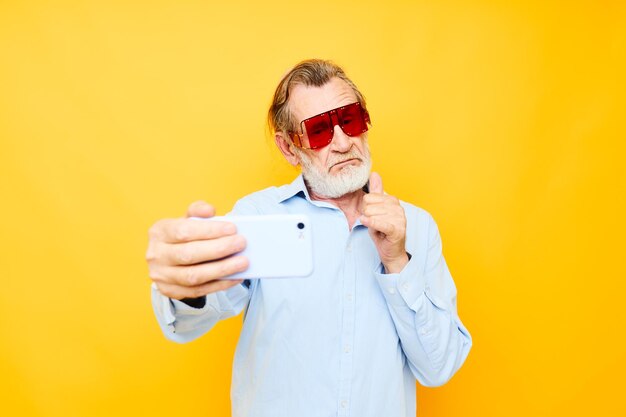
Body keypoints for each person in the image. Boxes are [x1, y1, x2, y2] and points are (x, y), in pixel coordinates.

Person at [147, 59, 472, 417]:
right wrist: (186, 286)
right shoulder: (259, 217)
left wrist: (397, 261)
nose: (342, 141)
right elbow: (190, 320)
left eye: (349, 119)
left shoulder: (417, 226)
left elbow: (439, 367)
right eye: (318, 130)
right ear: (289, 149)